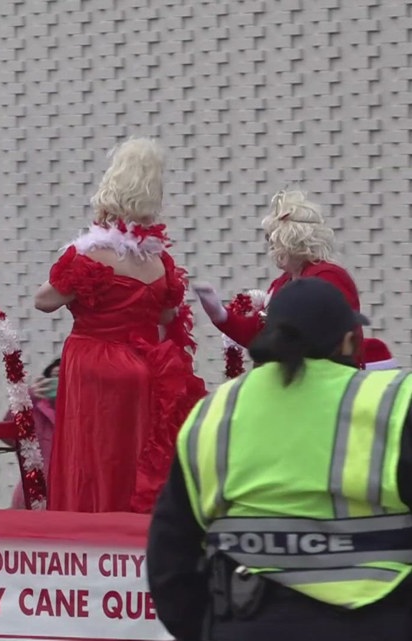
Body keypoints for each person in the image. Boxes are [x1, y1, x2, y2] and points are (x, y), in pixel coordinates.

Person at [148, 277, 412, 641]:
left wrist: (213, 630)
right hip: (377, 622)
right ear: (350, 341)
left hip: (248, 623)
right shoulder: (394, 402)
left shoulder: (215, 412)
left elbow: (170, 559)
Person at [33, 137, 205, 513]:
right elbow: (167, 317)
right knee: (134, 457)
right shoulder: (160, 264)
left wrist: (89, 301)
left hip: (92, 365)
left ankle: (89, 537)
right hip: (141, 367)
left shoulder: (91, 255)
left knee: (91, 459)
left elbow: (44, 301)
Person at [194, 189, 394, 368]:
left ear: (293, 243)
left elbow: (331, 338)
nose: (271, 250)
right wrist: (219, 314)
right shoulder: (282, 282)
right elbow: (259, 335)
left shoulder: (328, 277)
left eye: (274, 243)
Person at [8, 358, 59, 509]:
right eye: (54, 377)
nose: (58, 382)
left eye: (64, 377)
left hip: (70, 496)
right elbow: (9, 433)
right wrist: (28, 397)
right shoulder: (34, 409)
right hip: (33, 495)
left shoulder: (84, 414)